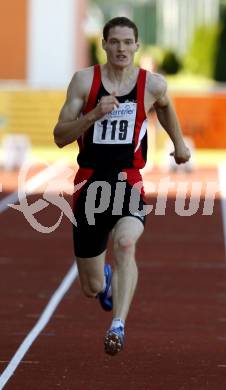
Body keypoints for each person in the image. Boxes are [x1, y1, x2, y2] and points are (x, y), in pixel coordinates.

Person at [53, 16, 191, 356]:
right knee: (91, 286)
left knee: (126, 242)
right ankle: (107, 282)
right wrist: (92, 115)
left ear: (137, 46)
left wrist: (180, 143)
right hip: (89, 186)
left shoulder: (151, 85)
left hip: (128, 181)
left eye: (128, 42)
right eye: (114, 42)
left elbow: (166, 106)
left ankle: (118, 325)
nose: (121, 49)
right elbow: (59, 136)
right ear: (103, 45)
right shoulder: (85, 82)